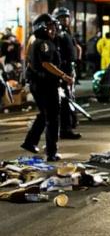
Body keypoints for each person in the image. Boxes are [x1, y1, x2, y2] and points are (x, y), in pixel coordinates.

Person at [21, 14, 74, 161]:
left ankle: (30, 142)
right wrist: (64, 76)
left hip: (40, 84)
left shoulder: (37, 41)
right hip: (45, 85)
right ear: (42, 28)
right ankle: (51, 152)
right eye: (50, 27)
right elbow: (46, 64)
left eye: (54, 27)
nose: (54, 30)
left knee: (45, 115)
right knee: (52, 118)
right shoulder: (43, 43)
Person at [52, 6, 82, 140]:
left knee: (69, 98)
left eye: (66, 17)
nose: (65, 20)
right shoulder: (57, 34)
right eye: (62, 18)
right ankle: (65, 129)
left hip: (70, 68)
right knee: (64, 101)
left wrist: (76, 61)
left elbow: (76, 47)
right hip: (62, 69)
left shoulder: (68, 32)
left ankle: (70, 124)